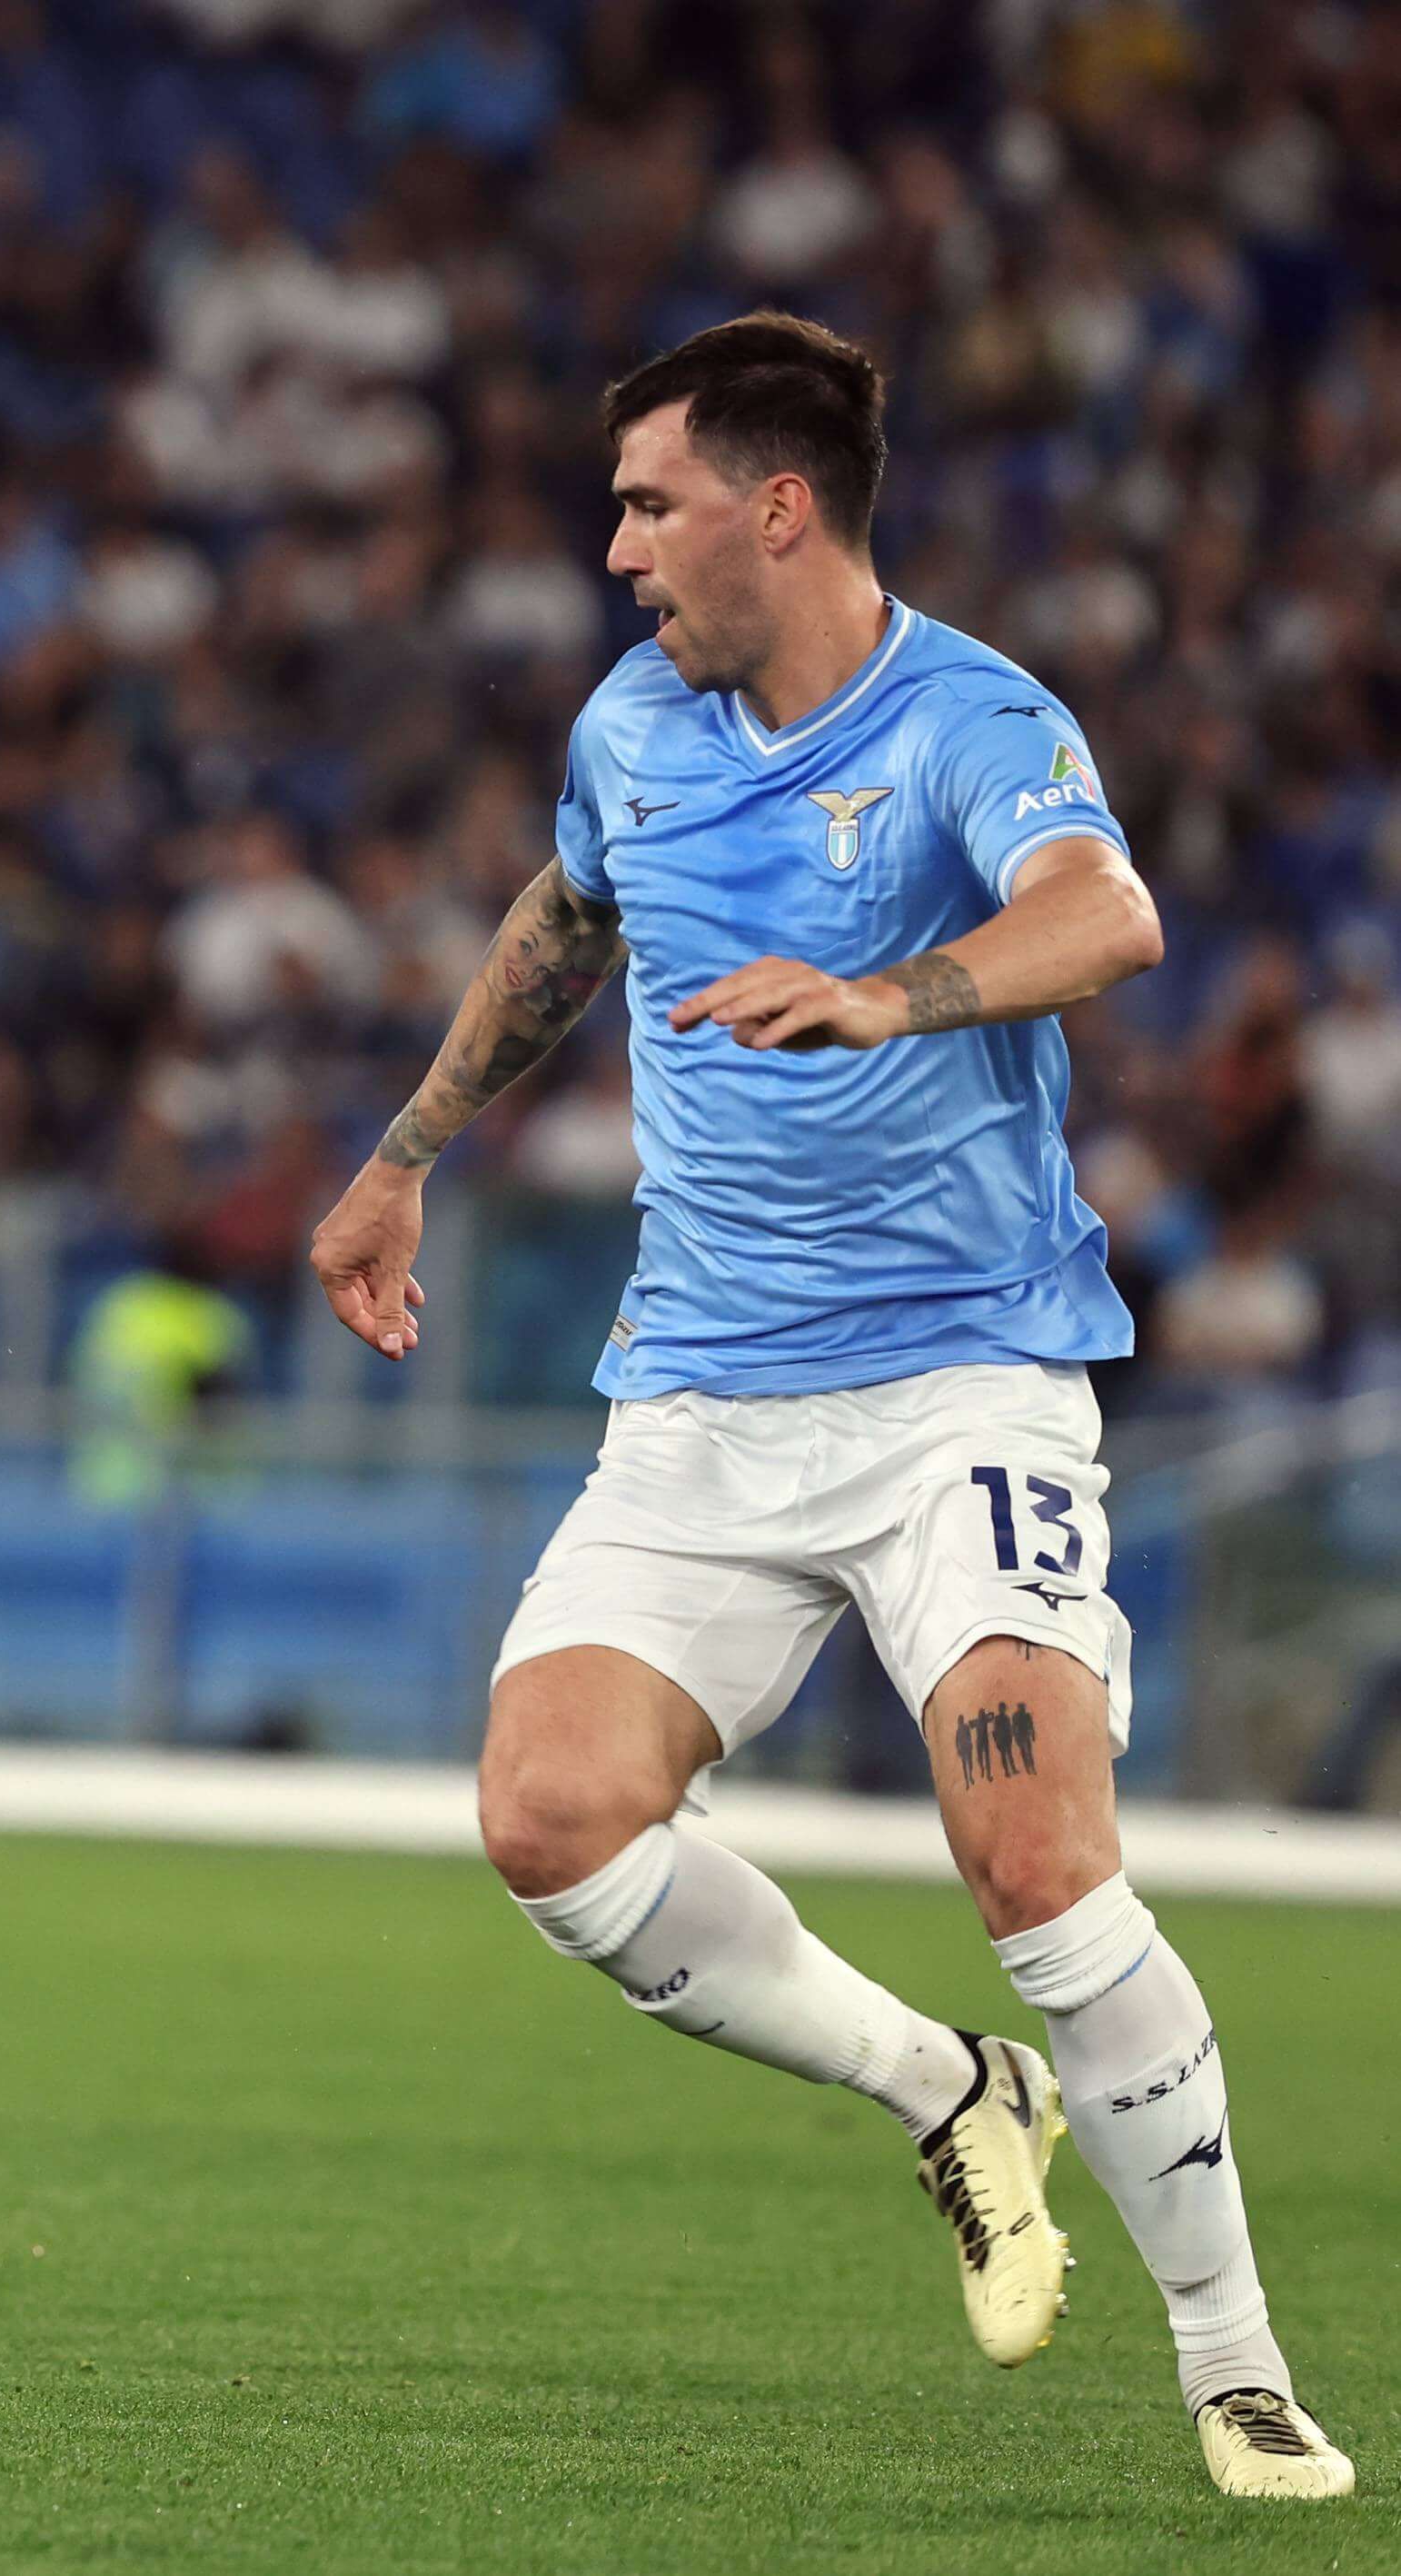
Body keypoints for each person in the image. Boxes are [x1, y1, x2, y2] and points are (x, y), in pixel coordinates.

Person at [307, 313, 1349, 2502]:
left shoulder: (970, 716)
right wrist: (404, 1150)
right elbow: (563, 914)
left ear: (774, 509)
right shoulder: (630, 720)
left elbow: (1110, 910)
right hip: (696, 1388)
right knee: (545, 1814)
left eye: (646, 503)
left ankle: (1233, 2366)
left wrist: (894, 990)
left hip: (959, 1377)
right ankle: (946, 2090)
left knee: (1028, 1849)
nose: (612, 552)